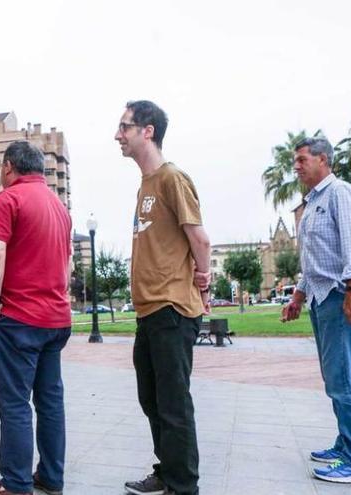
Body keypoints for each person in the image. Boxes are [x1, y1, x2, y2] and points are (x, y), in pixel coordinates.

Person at [115, 100, 211, 495]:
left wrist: (203, 277)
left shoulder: (172, 178)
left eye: (125, 127)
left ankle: (183, 485)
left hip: (172, 308)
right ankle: (167, 470)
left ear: (147, 131)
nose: (118, 135)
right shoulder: (145, 185)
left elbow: (199, 238)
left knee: (173, 403)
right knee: (151, 399)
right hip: (148, 310)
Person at [0, 141, 73, 495]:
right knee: (49, 401)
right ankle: (50, 477)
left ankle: (15, 484)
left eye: (1, 167)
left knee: (14, 402)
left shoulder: (8, 199)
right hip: (55, 318)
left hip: (19, 317)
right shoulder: (59, 207)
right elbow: (68, 262)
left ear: (9, 167)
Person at [281, 137, 351, 483]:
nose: (296, 165)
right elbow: (314, 260)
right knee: (334, 378)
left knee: (345, 379)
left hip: (340, 299)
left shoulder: (341, 193)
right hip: (321, 299)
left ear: (323, 159)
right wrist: (297, 295)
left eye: (302, 159)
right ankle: (346, 444)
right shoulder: (313, 202)